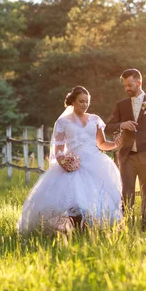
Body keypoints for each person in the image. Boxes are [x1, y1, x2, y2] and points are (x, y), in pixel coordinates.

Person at [17, 86, 123, 235]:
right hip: (74, 164)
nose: (85, 105)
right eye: (81, 101)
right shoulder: (63, 122)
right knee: (76, 198)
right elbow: (58, 149)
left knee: (97, 196)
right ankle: (76, 229)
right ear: (73, 101)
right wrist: (65, 163)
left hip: (96, 163)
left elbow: (101, 144)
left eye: (87, 102)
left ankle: (95, 229)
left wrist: (115, 144)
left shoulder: (95, 119)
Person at [106, 68, 146, 231]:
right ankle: (125, 228)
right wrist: (121, 125)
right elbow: (107, 127)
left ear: (139, 83)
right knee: (127, 195)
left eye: (130, 85)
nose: (127, 89)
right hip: (126, 157)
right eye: (125, 86)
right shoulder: (120, 105)